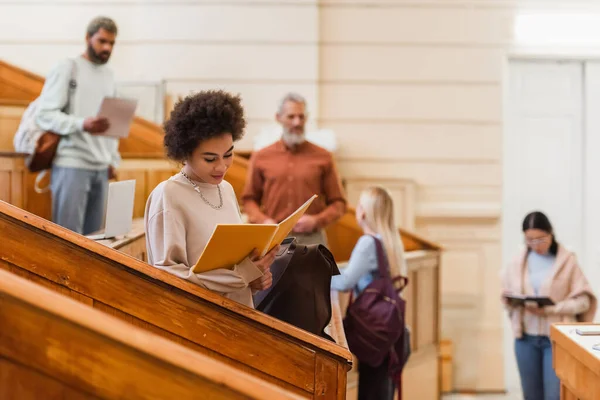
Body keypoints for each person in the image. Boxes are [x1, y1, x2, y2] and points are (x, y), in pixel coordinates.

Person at [144, 90, 277, 308]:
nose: (222, 166)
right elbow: (167, 277)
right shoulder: (168, 195)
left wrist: (253, 279)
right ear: (185, 153)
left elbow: (232, 269)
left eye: (228, 154)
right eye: (210, 159)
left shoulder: (225, 189)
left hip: (240, 316)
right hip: (201, 322)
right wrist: (242, 275)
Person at [35, 16, 121, 235]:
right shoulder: (68, 68)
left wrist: (112, 159)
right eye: (102, 41)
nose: (107, 47)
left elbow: (111, 124)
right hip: (72, 163)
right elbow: (44, 115)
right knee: (68, 239)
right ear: (87, 38)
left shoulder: (110, 75)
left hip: (101, 167)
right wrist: (82, 124)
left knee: (96, 243)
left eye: (111, 43)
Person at [502, 211, 597, 400]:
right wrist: (512, 301)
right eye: (530, 240)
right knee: (531, 395)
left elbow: (584, 301)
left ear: (550, 234)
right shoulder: (517, 262)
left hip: (555, 341)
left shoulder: (567, 261)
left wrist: (552, 309)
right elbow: (507, 295)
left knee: (554, 395)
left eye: (540, 239)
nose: (535, 245)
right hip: (525, 339)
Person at [331, 186, 407, 400]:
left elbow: (345, 282)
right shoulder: (391, 241)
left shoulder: (368, 243)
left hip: (372, 331)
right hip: (389, 329)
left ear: (363, 212)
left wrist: (317, 276)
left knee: (370, 392)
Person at [242, 92, 347, 246]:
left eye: (301, 117)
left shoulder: (324, 156)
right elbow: (249, 199)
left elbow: (338, 204)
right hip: (274, 240)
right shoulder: (260, 156)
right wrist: (263, 221)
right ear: (278, 118)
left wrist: (316, 221)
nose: (297, 122)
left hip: (313, 241)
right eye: (291, 117)